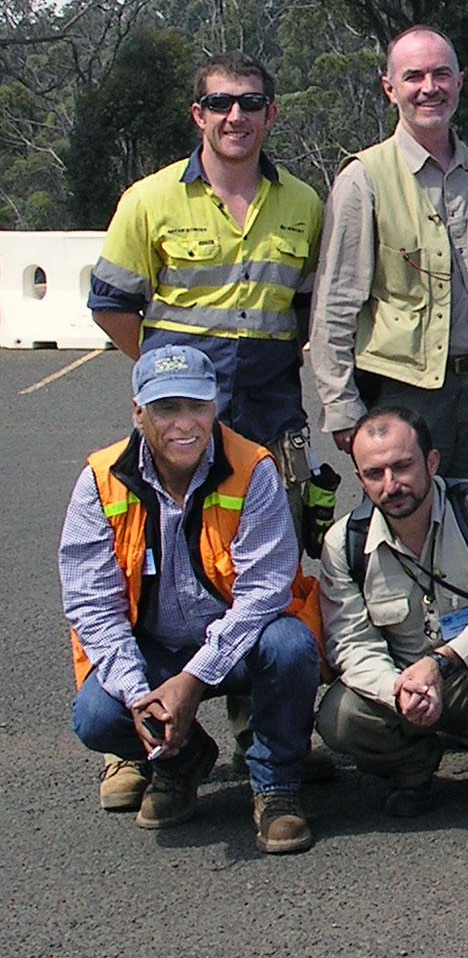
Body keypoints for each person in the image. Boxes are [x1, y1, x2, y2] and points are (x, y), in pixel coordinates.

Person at [85, 50, 331, 811]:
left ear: (270, 114)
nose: (236, 116)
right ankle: (146, 739)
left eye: (251, 102)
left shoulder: (303, 204)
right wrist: (166, 376)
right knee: (155, 566)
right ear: (198, 114)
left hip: (268, 411)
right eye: (220, 103)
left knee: (271, 574)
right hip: (179, 417)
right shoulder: (150, 200)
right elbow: (112, 304)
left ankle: (271, 737)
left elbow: (307, 312)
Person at [60, 345, 324, 854]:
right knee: (95, 715)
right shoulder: (98, 480)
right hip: (152, 650)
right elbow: (92, 606)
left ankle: (275, 787)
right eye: (165, 409)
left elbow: (263, 593)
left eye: (197, 407)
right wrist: (142, 696)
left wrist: (191, 680)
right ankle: (179, 762)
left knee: (291, 645)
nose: (185, 424)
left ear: (215, 406)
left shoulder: (254, 468)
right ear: (138, 412)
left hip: (234, 642)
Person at [315, 406, 468, 841]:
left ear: (431, 461)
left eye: (403, 466)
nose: (391, 485)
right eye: (375, 473)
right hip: (409, 691)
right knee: (339, 716)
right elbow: (350, 644)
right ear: (360, 479)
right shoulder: (344, 543)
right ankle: (413, 764)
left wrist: (445, 662)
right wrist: (398, 691)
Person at [311, 25, 468, 503]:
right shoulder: (364, 179)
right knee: (409, 530)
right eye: (414, 76)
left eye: (441, 74)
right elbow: (334, 305)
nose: (429, 87)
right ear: (390, 88)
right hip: (406, 394)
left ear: (459, 81)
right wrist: (343, 409)